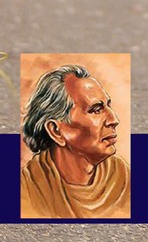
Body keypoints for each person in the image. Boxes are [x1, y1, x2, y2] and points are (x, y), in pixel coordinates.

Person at [20, 65, 129, 219]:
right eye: (96, 110)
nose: (114, 120)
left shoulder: (122, 177)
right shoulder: (27, 191)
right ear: (56, 131)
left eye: (107, 106)